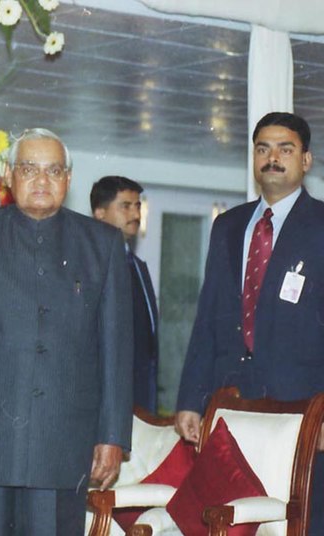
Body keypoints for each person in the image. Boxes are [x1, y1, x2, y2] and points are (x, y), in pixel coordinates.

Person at [0, 128, 133, 535]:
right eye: (29, 168)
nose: (42, 180)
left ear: (68, 179)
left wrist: (112, 437)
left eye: (53, 170)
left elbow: (116, 351)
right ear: (8, 174)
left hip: (64, 445)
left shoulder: (102, 244)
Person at [176, 111, 324, 534]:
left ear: (306, 161)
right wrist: (191, 398)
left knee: (301, 524)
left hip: (305, 414)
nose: (272, 158)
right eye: (263, 149)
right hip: (233, 408)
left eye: (285, 148)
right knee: (232, 522)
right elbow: (209, 317)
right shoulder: (229, 225)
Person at [91, 176, 159, 413]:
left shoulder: (138, 266)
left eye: (138, 206)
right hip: (100, 402)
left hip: (140, 399)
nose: (135, 214)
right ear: (100, 213)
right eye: (125, 206)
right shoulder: (87, 267)